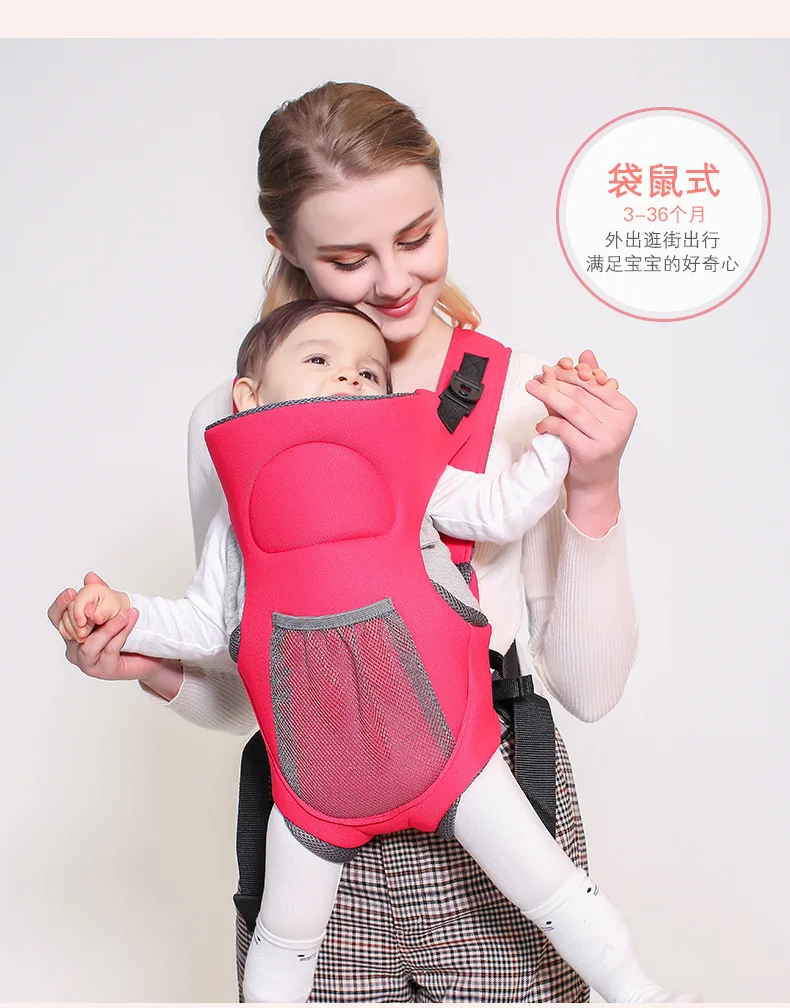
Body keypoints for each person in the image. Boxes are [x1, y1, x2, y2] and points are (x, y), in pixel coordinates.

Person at [49, 81, 644, 1003]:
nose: (396, 281)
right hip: (316, 833)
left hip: (491, 810)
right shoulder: (235, 420)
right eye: (348, 257)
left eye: (418, 235)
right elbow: (248, 690)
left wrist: (593, 486)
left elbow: (590, 691)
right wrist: (148, 665)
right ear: (284, 245)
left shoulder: (525, 398)